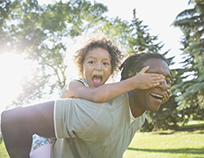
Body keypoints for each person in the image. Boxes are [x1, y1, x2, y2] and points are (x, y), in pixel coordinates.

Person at [1, 51, 173, 158]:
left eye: (167, 80)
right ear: (132, 77)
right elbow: (12, 120)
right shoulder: (99, 113)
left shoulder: (139, 113)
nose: (164, 85)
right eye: (155, 77)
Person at [30, 33, 165, 157]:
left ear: (111, 71)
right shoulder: (75, 85)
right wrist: (134, 82)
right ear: (81, 67)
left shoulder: (108, 91)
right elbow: (94, 95)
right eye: (91, 62)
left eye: (105, 63)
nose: (98, 67)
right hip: (46, 138)